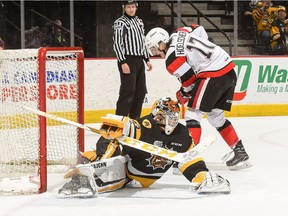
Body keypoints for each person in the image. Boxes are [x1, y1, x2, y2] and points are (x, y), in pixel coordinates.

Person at [58, 97, 230, 197]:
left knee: (199, 171)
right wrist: (119, 125)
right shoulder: (147, 124)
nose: (173, 120)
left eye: (175, 116)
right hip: (127, 168)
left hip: (145, 179)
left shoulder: (182, 134)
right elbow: (131, 126)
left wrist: (202, 176)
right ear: (158, 115)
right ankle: (89, 174)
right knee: (109, 145)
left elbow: (190, 162)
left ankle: (91, 166)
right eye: (168, 116)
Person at [145, 27, 252, 170]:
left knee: (192, 114)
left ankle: (189, 158)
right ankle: (239, 152)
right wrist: (203, 57)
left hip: (213, 75)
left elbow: (189, 81)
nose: (155, 53)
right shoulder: (179, 32)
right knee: (216, 117)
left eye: (154, 48)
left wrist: (182, 94)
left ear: (162, 42)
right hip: (229, 70)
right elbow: (199, 28)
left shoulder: (171, 58)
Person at [112, 0, 152, 119]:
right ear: (124, 8)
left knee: (141, 92)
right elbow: (117, 43)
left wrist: (147, 59)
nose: (131, 9)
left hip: (139, 60)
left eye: (133, 6)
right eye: (128, 7)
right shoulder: (120, 23)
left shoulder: (139, 22)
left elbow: (142, 41)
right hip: (127, 60)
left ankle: (135, 121)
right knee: (128, 91)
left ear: (136, 7)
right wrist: (122, 62)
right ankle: (120, 120)